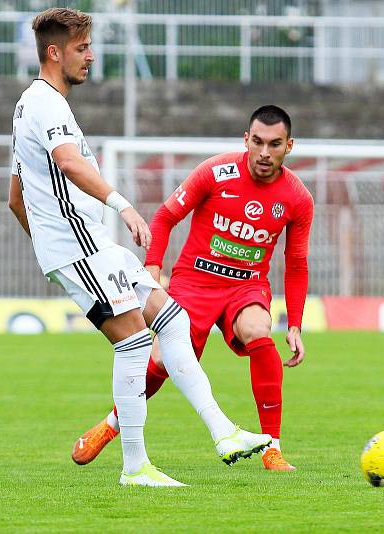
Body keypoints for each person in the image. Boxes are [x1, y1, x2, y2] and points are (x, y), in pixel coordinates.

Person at [8, 8, 271, 487]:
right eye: (81, 48)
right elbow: (68, 163)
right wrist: (117, 207)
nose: (91, 56)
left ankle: (223, 432)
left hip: (81, 243)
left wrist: (50, 250)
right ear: (55, 52)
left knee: (171, 318)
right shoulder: (45, 104)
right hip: (80, 242)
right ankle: (135, 467)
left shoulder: (32, 105)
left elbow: (15, 197)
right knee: (133, 343)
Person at [73, 105, 314, 471]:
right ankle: (110, 426)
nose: (265, 153)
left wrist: (294, 323)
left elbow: (297, 263)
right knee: (158, 360)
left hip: (247, 286)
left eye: (275, 144)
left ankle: (272, 449)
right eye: (258, 142)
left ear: (289, 146)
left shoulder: (297, 198)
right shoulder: (216, 172)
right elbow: (166, 216)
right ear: (246, 140)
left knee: (257, 329)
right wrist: (152, 266)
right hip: (195, 279)